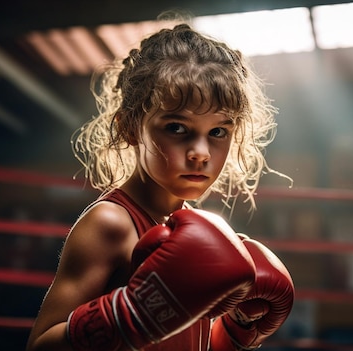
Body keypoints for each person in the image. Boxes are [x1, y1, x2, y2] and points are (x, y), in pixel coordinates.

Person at [25, 21, 294, 351]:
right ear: (131, 129)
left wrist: (236, 330)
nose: (200, 153)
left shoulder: (197, 231)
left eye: (218, 132)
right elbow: (40, 346)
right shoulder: (111, 223)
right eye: (178, 128)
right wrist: (133, 315)